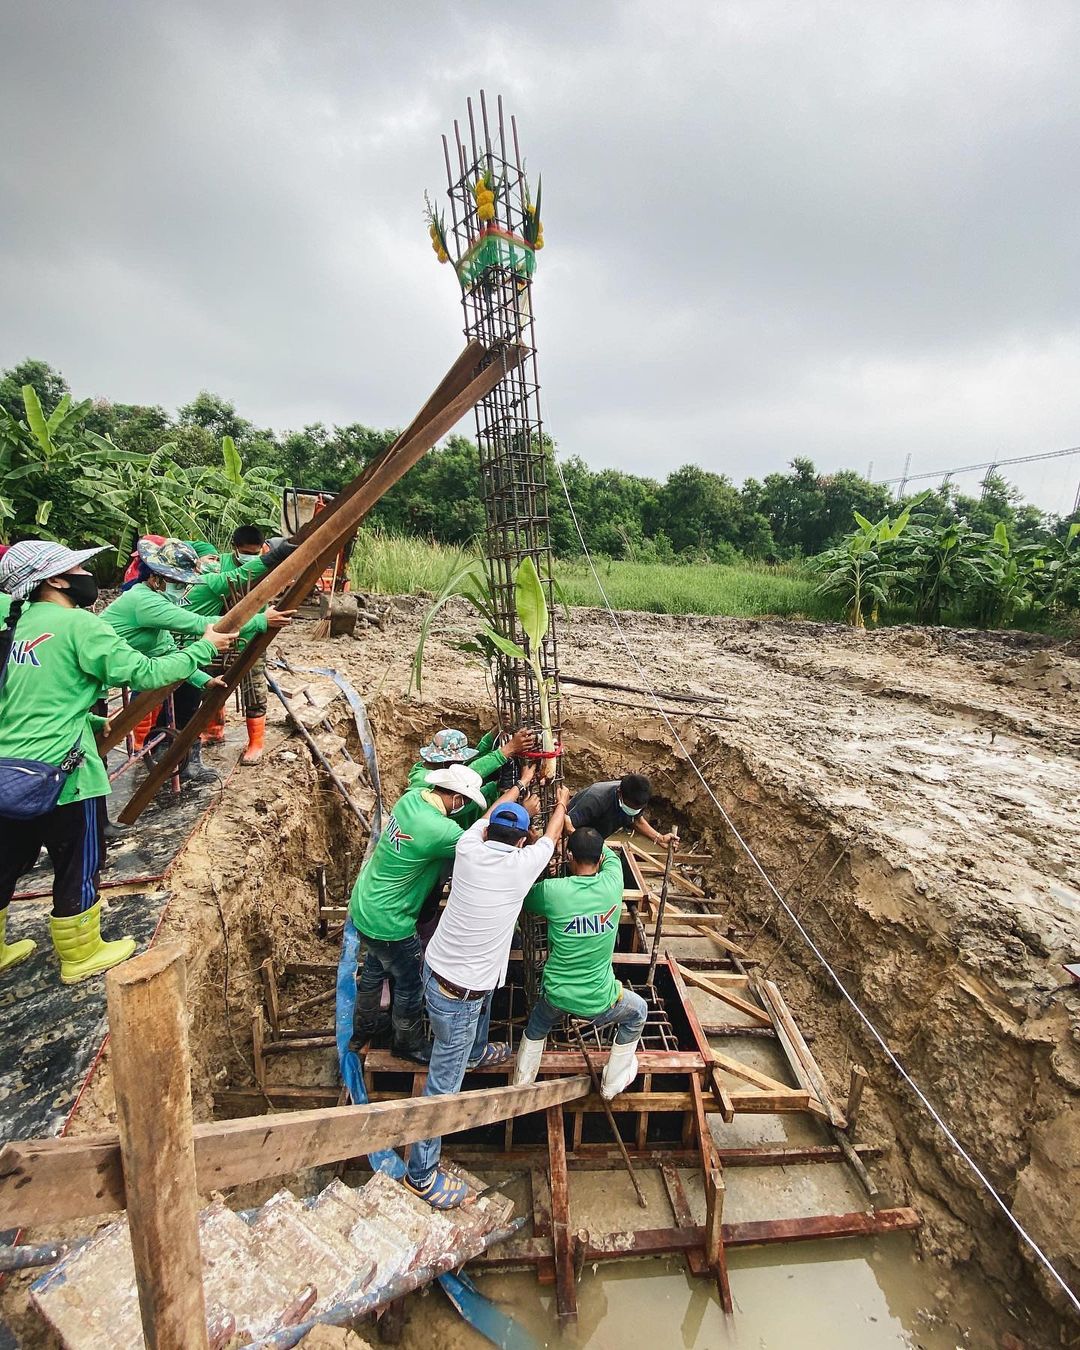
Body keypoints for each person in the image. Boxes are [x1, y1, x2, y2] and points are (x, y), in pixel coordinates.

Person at [0, 540, 234, 981]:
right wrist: (204, 646)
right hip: (62, 773)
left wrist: (86, 714)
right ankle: (80, 955)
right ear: (54, 579)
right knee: (78, 862)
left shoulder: (20, 626)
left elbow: (26, 697)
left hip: (8, 771)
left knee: (7, 858)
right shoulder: (78, 626)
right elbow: (148, 674)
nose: (88, 575)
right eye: (77, 568)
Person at [403, 776, 570, 1209]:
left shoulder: (468, 848)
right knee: (443, 1085)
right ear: (519, 842)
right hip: (459, 994)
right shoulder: (521, 868)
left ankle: (477, 1052)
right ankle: (420, 1174)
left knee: (489, 989)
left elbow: (485, 816)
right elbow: (552, 839)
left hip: (438, 970)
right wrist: (559, 805)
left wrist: (519, 792)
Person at [348, 762, 490, 1061]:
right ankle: (407, 1043)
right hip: (391, 922)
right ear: (458, 800)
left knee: (374, 970)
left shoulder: (411, 799)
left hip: (366, 904)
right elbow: (483, 837)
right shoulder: (440, 831)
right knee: (410, 984)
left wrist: (499, 765)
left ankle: (362, 1032)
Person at [514, 825, 647, 1100]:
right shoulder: (613, 883)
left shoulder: (553, 891)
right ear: (599, 860)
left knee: (537, 1025)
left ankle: (521, 1084)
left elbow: (524, 897)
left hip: (556, 995)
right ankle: (611, 1085)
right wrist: (576, 830)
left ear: (569, 857)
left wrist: (541, 846)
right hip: (601, 1000)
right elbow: (609, 855)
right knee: (638, 1012)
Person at [209, 525, 271, 763]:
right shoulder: (218, 564)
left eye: (255, 553)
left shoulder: (267, 568)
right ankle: (214, 730)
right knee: (213, 682)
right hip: (220, 634)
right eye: (246, 552)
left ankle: (256, 743)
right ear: (235, 548)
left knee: (254, 690)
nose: (250, 557)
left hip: (252, 637)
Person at [568, 773, 676, 846]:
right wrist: (581, 846)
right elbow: (566, 823)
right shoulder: (596, 800)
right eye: (630, 808)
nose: (633, 812)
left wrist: (660, 839)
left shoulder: (638, 798)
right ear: (619, 793)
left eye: (637, 809)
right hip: (575, 834)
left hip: (595, 838)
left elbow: (636, 820)